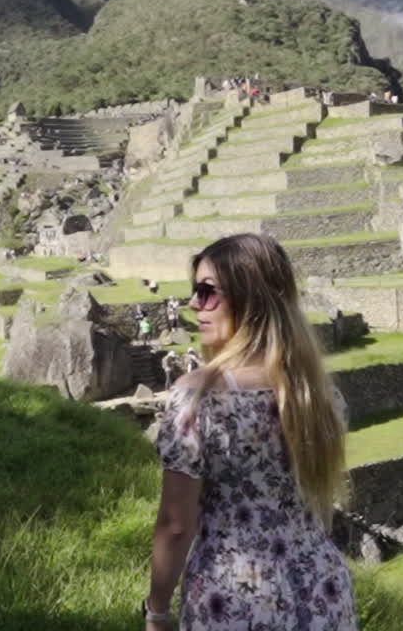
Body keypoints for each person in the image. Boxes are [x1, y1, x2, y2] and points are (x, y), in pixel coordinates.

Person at [145, 234, 355, 630]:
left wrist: (156, 610)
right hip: (323, 589)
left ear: (249, 298)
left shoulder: (196, 398)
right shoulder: (320, 395)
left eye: (207, 292)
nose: (194, 303)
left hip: (236, 599)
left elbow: (176, 525)